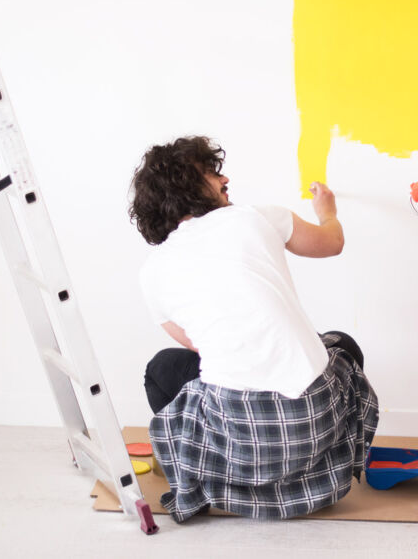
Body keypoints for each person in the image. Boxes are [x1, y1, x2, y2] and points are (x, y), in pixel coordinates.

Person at [129, 135, 378, 522]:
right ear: (184, 186)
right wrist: (327, 211)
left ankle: (204, 475)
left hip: (243, 443)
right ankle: (315, 476)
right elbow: (332, 243)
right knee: (340, 345)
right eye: (210, 172)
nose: (223, 177)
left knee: (162, 368)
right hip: (313, 426)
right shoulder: (255, 216)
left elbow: (198, 346)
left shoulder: (151, 272)